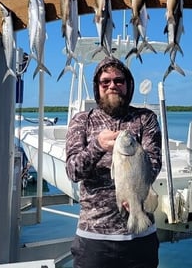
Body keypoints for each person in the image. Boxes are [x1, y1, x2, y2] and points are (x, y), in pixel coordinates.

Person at [65, 56, 162, 268]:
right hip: (94, 239)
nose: (113, 86)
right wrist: (98, 146)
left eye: (119, 81)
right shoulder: (82, 120)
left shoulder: (145, 119)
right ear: (97, 86)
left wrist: (133, 191)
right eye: (105, 81)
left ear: (128, 85)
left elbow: (154, 163)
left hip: (140, 237)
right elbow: (73, 171)